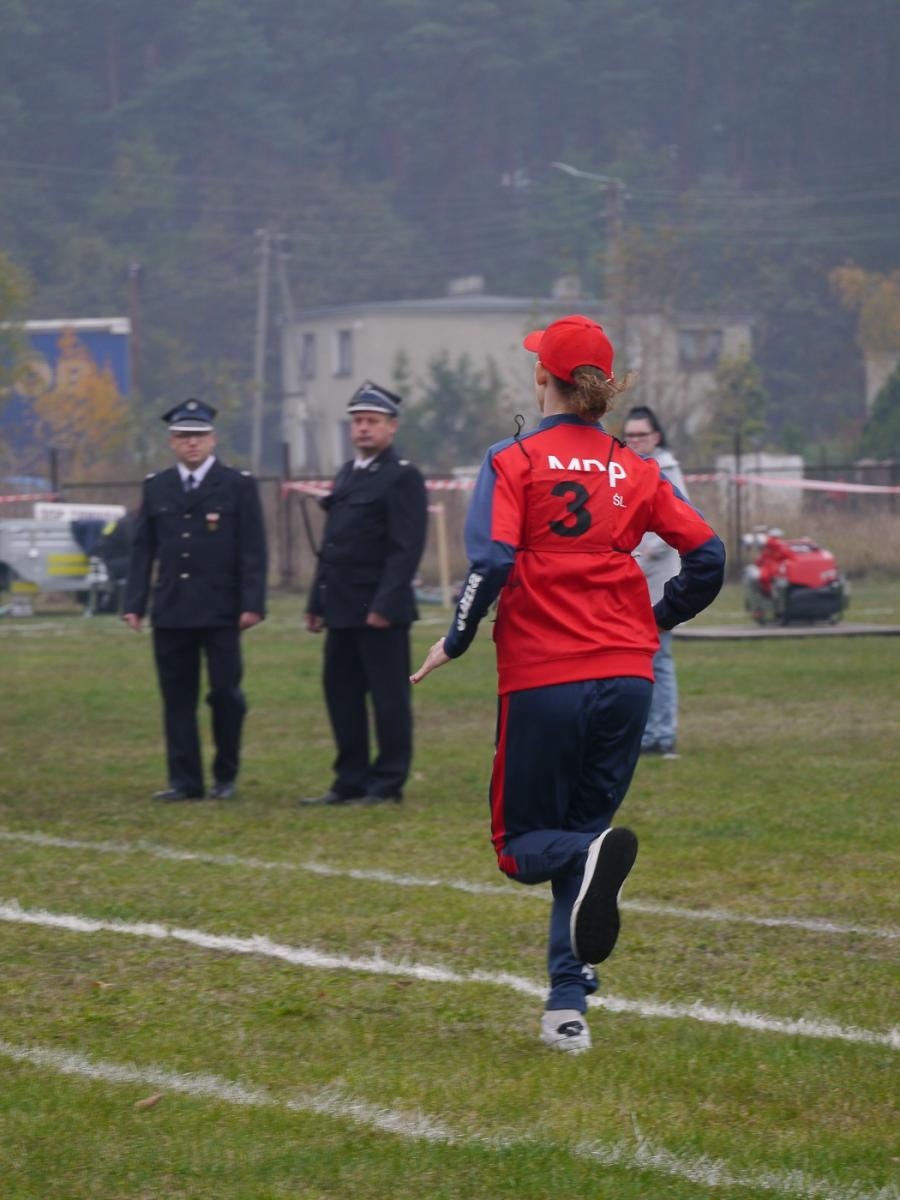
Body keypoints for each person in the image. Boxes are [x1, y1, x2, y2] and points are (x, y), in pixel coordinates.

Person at [411, 315, 725, 1054]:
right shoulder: (635, 467)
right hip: (628, 677)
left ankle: (581, 894)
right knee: (583, 840)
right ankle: (566, 1007)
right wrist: (654, 619)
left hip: (547, 676)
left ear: (542, 379)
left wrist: (456, 637)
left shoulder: (512, 458)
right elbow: (708, 555)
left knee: (523, 848)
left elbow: (492, 560)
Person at [122, 399, 267, 801]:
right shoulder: (157, 486)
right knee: (177, 699)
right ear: (172, 441)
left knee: (225, 694)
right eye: (184, 436)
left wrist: (252, 603)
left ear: (212, 439)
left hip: (221, 609)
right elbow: (143, 550)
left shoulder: (237, 484)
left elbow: (253, 549)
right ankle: (184, 781)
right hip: (172, 609)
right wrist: (134, 603)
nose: (192, 443)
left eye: (199, 436)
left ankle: (225, 776)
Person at [301, 382, 428, 807]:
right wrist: (316, 603)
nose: (363, 429)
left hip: (380, 611)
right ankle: (349, 780)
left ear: (391, 427)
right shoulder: (347, 473)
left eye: (372, 421)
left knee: (389, 700)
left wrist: (384, 605)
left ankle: (387, 782)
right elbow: (332, 546)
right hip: (340, 607)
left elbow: (406, 548)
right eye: (357, 421)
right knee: (342, 697)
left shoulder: (403, 476)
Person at [622, 405, 688, 758]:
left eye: (641, 435)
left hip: (659, 582)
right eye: (629, 435)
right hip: (631, 581)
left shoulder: (667, 469)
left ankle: (664, 735)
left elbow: (683, 520)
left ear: (656, 437)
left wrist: (646, 549)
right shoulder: (624, 467)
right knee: (637, 661)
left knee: (659, 658)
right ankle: (646, 733)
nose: (635, 441)